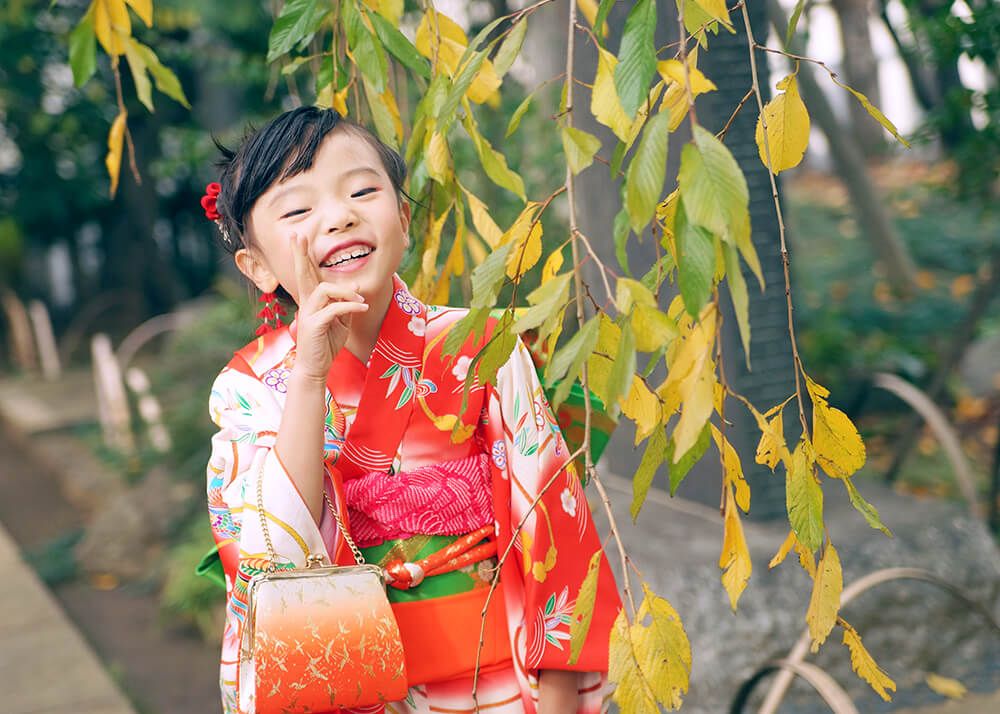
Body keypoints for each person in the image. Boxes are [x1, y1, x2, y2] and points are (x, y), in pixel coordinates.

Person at [203, 106, 621, 714]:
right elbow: (273, 560)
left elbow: (553, 528)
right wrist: (310, 375)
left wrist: (557, 700)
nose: (339, 215)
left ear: (402, 218)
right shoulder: (248, 386)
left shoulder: (480, 344)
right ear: (259, 266)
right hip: (350, 678)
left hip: (500, 673)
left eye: (362, 190)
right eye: (298, 209)